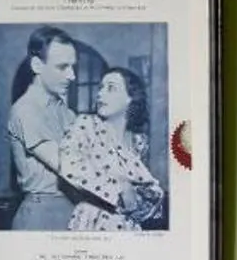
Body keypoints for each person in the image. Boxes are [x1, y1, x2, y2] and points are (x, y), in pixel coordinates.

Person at [60, 67, 167, 233]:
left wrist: (138, 202)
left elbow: (144, 195)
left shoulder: (139, 142)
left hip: (128, 227)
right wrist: (119, 188)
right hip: (91, 222)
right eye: (101, 88)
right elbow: (69, 167)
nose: (101, 94)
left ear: (130, 98)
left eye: (111, 88)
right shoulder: (85, 125)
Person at [6, 27, 83, 229]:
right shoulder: (26, 110)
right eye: (62, 67)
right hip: (43, 215)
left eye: (72, 67)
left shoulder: (64, 111)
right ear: (37, 65)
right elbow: (69, 165)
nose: (72, 76)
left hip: (72, 207)